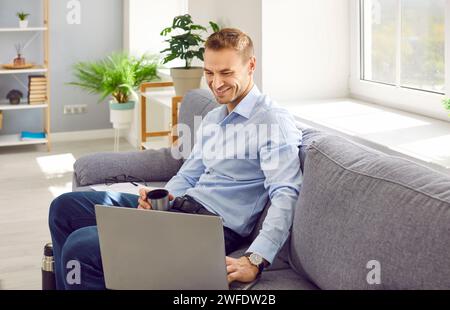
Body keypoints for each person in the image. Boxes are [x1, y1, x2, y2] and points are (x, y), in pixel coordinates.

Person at [48, 28, 302, 290]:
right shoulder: (216, 117)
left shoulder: (272, 121)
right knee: (63, 208)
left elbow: (286, 193)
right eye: (209, 73)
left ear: (251, 66)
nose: (216, 83)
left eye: (226, 73)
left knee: (82, 246)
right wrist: (161, 198)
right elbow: (189, 174)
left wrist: (256, 258)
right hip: (179, 210)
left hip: (210, 229)